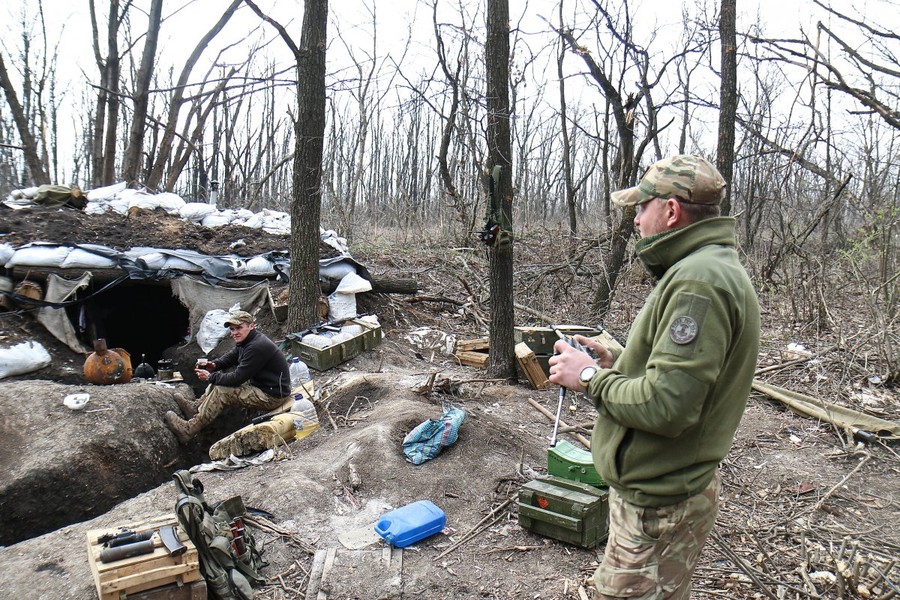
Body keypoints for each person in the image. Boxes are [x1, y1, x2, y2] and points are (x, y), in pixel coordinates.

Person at [548, 155, 760, 599]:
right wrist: (618, 361)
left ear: (671, 210)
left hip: (660, 506)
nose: (637, 218)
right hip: (661, 493)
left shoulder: (698, 281)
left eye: (641, 207)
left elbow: (668, 406)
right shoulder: (702, 268)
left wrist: (586, 376)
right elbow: (683, 378)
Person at [165, 310, 292, 444]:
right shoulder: (248, 340)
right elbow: (231, 357)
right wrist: (213, 365)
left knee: (222, 391)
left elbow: (237, 378)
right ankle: (196, 408)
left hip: (273, 396)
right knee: (220, 379)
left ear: (251, 326)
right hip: (264, 387)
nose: (235, 332)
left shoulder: (256, 346)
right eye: (232, 329)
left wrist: (210, 377)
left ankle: (188, 430)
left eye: (239, 328)